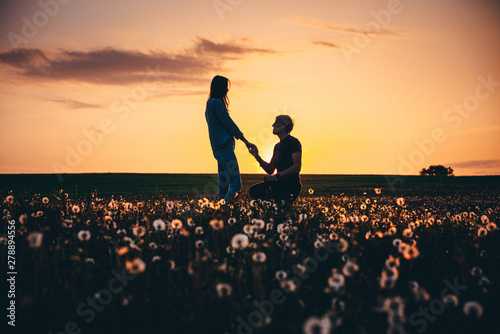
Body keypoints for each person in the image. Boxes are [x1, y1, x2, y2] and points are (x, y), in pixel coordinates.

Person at [205, 75, 255, 203]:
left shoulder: (210, 104)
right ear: (220, 88)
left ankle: (220, 215)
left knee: (223, 187)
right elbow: (229, 123)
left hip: (217, 149)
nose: (227, 90)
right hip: (224, 148)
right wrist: (245, 141)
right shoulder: (216, 103)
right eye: (225, 87)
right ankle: (221, 208)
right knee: (236, 185)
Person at [248, 115, 302, 203]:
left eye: (276, 122)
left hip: (291, 184)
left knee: (281, 208)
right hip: (279, 184)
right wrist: (257, 156)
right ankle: (270, 211)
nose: (273, 125)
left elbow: (297, 167)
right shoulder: (277, 146)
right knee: (255, 190)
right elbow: (270, 169)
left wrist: (276, 176)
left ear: (285, 125)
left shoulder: (293, 142)